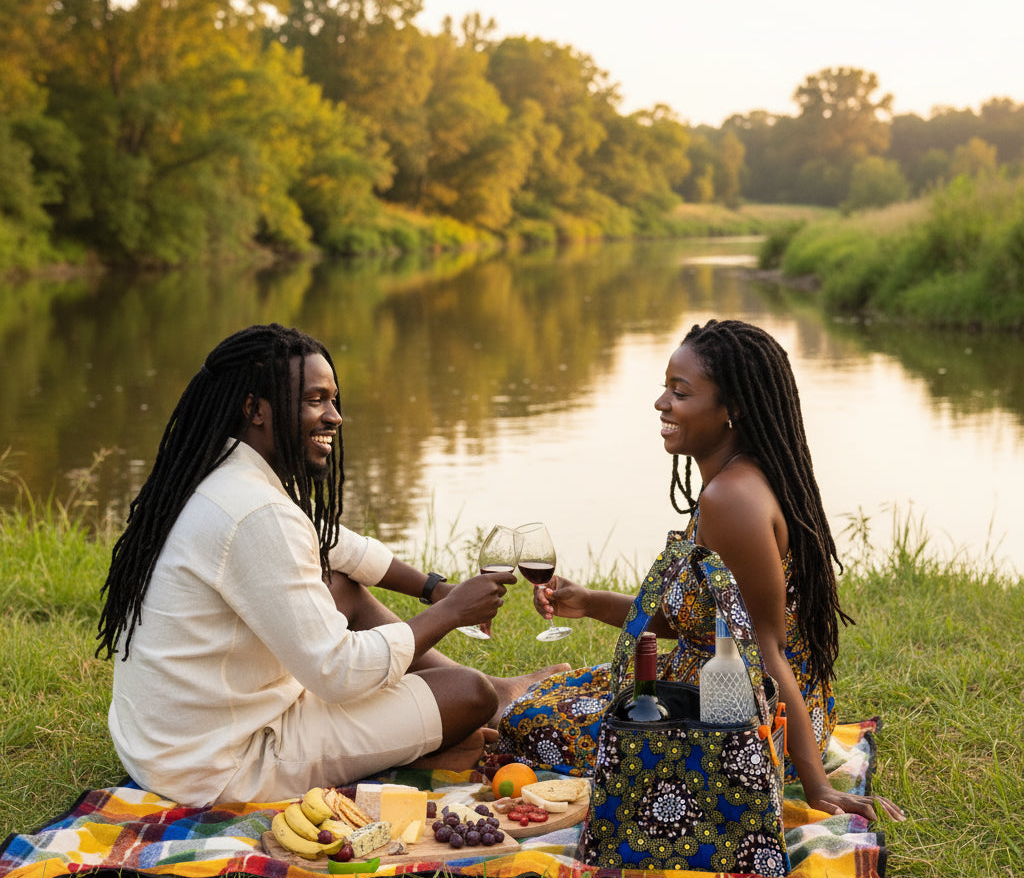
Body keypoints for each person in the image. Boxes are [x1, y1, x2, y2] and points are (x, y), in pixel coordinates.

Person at [96, 323, 564, 807]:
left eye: (333, 400)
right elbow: (337, 671)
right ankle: (486, 704)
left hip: (164, 743)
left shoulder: (217, 471)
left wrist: (433, 588)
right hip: (222, 763)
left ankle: (484, 707)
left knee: (335, 583)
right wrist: (449, 613)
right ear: (256, 409)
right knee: (467, 693)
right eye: (314, 400)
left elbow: (329, 543)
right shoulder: (257, 512)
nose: (335, 416)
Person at [498, 319, 904, 822]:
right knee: (559, 695)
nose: (661, 403)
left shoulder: (731, 499)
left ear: (733, 408)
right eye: (665, 388)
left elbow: (765, 650)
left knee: (526, 721)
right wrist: (589, 602)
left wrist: (817, 786)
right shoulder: (736, 479)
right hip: (715, 690)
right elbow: (700, 622)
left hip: (736, 722)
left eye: (680, 392)